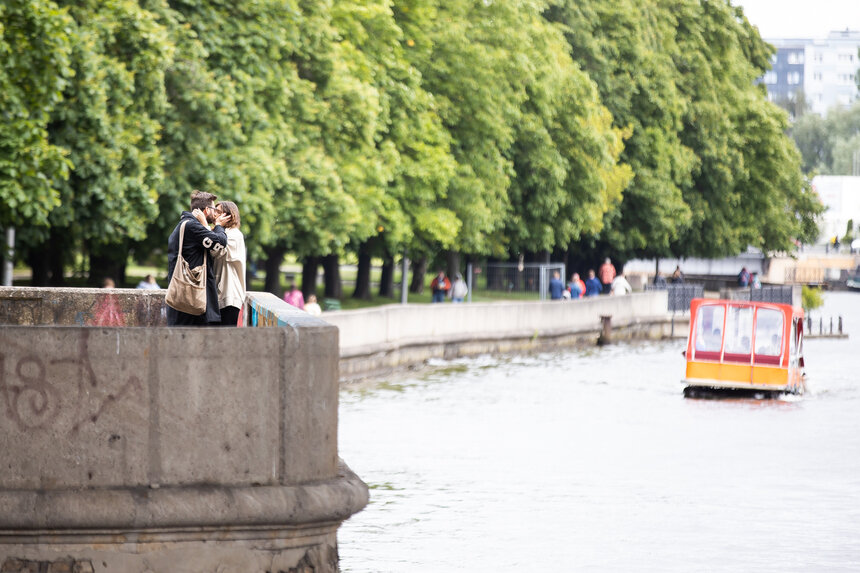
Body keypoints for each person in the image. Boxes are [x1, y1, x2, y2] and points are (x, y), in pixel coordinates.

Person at [166, 190, 229, 326]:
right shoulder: (192, 226)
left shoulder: (184, 224)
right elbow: (220, 243)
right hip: (190, 298)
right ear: (207, 210)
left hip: (183, 297)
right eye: (214, 210)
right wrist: (218, 226)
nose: (216, 214)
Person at [212, 201, 246, 327]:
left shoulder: (234, 235)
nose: (215, 215)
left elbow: (215, 250)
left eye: (219, 212)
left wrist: (216, 226)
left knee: (226, 338)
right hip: (220, 295)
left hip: (229, 296)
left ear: (229, 216)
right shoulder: (222, 232)